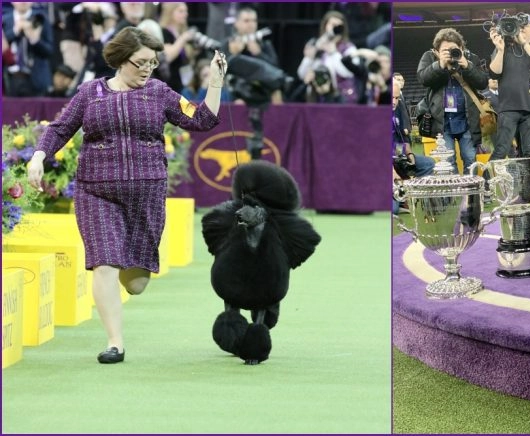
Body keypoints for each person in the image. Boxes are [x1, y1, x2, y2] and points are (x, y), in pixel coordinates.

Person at [26, 27, 224, 364]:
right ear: (121, 60)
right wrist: (38, 156)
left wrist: (216, 82)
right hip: (96, 190)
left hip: (147, 193)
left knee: (135, 284)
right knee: (104, 263)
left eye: (153, 63)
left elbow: (202, 119)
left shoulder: (160, 92)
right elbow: (60, 128)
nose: (147, 69)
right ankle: (114, 343)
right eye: (141, 62)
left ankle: (125, 263)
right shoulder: (90, 93)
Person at [417, 27, 488, 175]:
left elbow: (483, 82)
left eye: (453, 49)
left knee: (470, 158)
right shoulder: (429, 57)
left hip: (467, 120)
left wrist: (467, 66)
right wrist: (440, 65)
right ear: (437, 51)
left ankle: (471, 190)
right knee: (447, 162)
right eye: (445, 50)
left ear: (461, 48)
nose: (450, 53)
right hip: (442, 121)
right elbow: (423, 79)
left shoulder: (470, 58)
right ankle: (454, 190)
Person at [222, 6, 283, 159]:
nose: (251, 24)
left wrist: (258, 53)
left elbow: (276, 71)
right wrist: (233, 54)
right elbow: (217, 71)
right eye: (246, 21)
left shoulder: (264, 44)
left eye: (254, 21)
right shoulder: (228, 44)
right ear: (236, 23)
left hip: (262, 95)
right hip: (237, 94)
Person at [487, 14, 530, 165]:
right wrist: (500, 50)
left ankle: (525, 181)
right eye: (519, 26)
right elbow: (494, 73)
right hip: (509, 108)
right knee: (502, 149)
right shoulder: (504, 48)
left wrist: (523, 42)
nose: (522, 29)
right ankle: (486, 180)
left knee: (528, 153)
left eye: (525, 26)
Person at [297, 10, 357, 104]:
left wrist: (334, 53)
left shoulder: (349, 48)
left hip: (343, 99)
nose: (335, 28)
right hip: (319, 99)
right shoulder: (318, 46)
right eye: (332, 25)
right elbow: (302, 74)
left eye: (339, 26)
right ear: (325, 26)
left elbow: (347, 73)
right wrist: (309, 57)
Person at [393, 79, 434, 214]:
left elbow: (403, 137)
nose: (394, 102)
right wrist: (394, 174)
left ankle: (422, 200)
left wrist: (409, 154)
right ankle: (399, 199)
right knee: (393, 210)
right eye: (391, 98)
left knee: (428, 163)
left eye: (396, 98)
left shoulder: (397, 109)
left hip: (397, 154)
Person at [2, 2, 54, 97]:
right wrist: (15, 31)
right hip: (10, 77)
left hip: (36, 77)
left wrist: (34, 40)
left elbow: (49, 51)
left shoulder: (41, 18)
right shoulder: (4, 20)